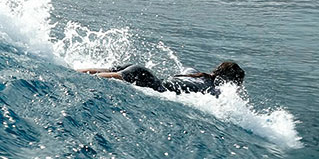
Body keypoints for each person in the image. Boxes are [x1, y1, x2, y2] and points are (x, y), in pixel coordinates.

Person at [82, 60, 245, 95]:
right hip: (150, 81)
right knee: (96, 78)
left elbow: (187, 70)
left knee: (93, 72)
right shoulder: (212, 90)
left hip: (142, 71)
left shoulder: (195, 72)